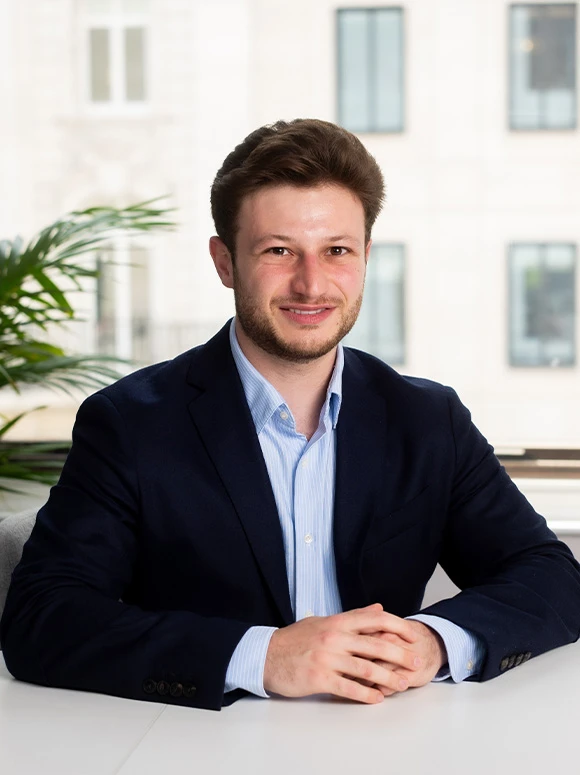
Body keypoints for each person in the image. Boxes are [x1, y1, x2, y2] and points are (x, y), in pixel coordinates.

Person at [1, 119, 579, 711]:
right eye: (279, 251)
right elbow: (43, 616)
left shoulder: (429, 419)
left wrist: (433, 642)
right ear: (225, 262)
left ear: (365, 258)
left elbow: (550, 575)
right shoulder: (130, 424)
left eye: (336, 251)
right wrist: (264, 655)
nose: (312, 284)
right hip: (196, 748)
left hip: (390, 740)